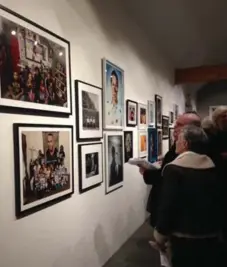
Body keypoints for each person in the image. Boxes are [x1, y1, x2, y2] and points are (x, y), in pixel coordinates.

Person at [153, 125, 222, 267]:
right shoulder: (213, 166)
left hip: (183, 237)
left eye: (178, 139)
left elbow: (168, 205)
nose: (175, 142)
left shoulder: (174, 169)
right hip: (212, 234)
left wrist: (160, 235)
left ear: (185, 143)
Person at [139, 111, 201, 228]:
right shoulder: (180, 146)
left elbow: (168, 178)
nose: (174, 127)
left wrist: (148, 173)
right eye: (176, 124)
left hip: (178, 210)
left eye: (179, 124)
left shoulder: (191, 150)